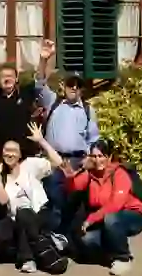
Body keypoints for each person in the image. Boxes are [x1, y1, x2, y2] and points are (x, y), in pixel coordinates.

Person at [34, 39, 99, 233]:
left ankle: (70, 240)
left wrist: (90, 159)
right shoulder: (53, 102)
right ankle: (54, 239)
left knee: (74, 206)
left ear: (82, 89)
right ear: (64, 86)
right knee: (54, 201)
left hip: (78, 163)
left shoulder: (88, 110)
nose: (73, 88)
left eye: (78, 86)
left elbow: (93, 138)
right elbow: (38, 84)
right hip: (54, 161)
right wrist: (44, 59)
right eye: (70, 84)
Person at [64, 139, 142, 276]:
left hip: (131, 216)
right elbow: (74, 188)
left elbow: (115, 205)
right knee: (86, 240)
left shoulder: (119, 173)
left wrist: (91, 219)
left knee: (111, 219)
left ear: (108, 157)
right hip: (105, 219)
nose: (98, 160)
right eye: (94, 156)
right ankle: (110, 252)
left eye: (101, 156)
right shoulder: (90, 174)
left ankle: (123, 258)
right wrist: (70, 177)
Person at [0, 123, 61, 273]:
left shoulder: (30, 165)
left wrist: (41, 141)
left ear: (20, 154)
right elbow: (2, 201)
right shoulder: (2, 177)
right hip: (16, 220)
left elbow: (58, 162)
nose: (10, 154)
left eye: (14, 151)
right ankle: (45, 243)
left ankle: (28, 259)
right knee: (4, 232)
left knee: (23, 213)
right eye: (6, 150)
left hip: (40, 212)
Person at [0, 62, 39, 163]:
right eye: (3, 77)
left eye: (10, 76)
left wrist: (43, 59)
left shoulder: (26, 94)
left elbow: (40, 80)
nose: (7, 79)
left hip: (24, 156)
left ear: (16, 79)